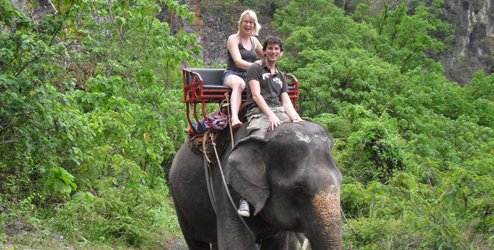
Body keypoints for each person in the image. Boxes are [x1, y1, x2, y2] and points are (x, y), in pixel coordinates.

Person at [237, 36, 304, 217]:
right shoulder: (255, 69)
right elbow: (257, 96)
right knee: (256, 144)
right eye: (270, 48)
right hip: (258, 112)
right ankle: (246, 198)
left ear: (281, 53)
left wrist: (297, 119)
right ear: (264, 51)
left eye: (277, 49)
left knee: (300, 141)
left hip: (279, 111)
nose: (274, 52)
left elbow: (286, 103)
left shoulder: (281, 76)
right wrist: (270, 115)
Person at [223, 10, 264, 129]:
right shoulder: (233, 39)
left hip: (250, 76)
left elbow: (266, 56)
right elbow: (237, 61)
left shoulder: (254, 41)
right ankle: (234, 118)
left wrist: (274, 54)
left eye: (251, 22)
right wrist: (254, 66)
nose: (248, 25)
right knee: (238, 84)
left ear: (255, 25)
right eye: (246, 21)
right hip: (233, 73)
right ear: (241, 23)